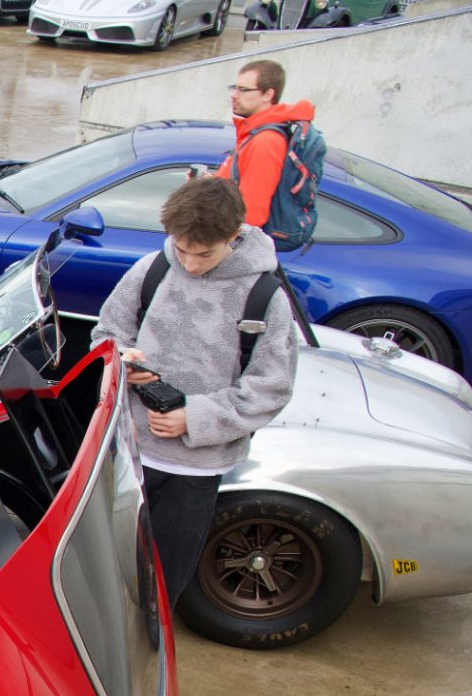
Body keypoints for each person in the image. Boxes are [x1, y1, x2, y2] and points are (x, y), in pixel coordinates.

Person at [91, 176, 296, 605]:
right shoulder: (152, 268)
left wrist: (195, 417)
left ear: (234, 236)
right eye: (181, 249)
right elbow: (107, 334)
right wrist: (121, 362)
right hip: (126, 452)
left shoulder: (264, 295)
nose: (190, 264)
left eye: (204, 254)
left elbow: (271, 387)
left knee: (160, 588)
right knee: (103, 574)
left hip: (194, 472)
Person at [213, 59, 317, 231]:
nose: (234, 95)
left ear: (268, 95)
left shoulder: (266, 141)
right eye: (234, 87)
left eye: (243, 90)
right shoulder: (255, 133)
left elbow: (250, 216)